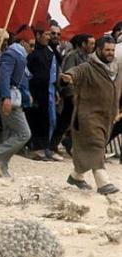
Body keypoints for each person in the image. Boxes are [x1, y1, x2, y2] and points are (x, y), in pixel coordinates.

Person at [61, 36, 121, 195]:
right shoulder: (88, 67)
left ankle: (76, 177)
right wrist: (68, 77)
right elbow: (75, 72)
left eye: (112, 50)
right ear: (99, 50)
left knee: (92, 148)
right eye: (107, 50)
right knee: (96, 147)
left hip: (105, 118)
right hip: (88, 117)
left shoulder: (112, 68)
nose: (110, 53)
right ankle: (103, 183)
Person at [0, 26, 34, 178]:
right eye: (31, 45)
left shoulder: (19, 55)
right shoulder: (12, 54)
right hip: (9, 99)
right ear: (23, 43)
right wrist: (6, 97)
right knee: (24, 134)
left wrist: (26, 94)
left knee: (9, 133)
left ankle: (1, 168)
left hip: (14, 98)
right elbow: (4, 77)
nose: (33, 48)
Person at [51, 34, 94, 156]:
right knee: (66, 120)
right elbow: (67, 76)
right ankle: (54, 145)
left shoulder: (88, 57)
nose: (93, 46)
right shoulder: (73, 56)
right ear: (83, 44)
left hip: (82, 94)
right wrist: (71, 95)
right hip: (73, 94)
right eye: (90, 43)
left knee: (74, 120)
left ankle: (68, 143)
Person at [26, 24, 60, 161]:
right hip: (35, 91)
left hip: (49, 91)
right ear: (38, 36)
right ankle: (37, 148)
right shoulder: (33, 53)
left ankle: (47, 147)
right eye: (46, 34)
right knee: (37, 119)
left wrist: (56, 90)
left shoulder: (50, 51)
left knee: (49, 120)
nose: (49, 37)